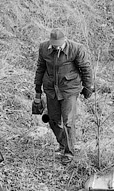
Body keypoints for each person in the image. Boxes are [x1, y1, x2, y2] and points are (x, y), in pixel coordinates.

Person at [34, 28, 94, 161]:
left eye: (59, 44)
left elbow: (86, 68)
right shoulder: (44, 48)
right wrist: (37, 89)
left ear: (65, 40)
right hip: (51, 89)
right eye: (54, 44)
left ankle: (68, 153)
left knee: (68, 121)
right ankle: (63, 144)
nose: (56, 46)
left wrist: (88, 86)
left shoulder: (77, 49)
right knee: (52, 119)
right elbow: (40, 68)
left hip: (69, 89)